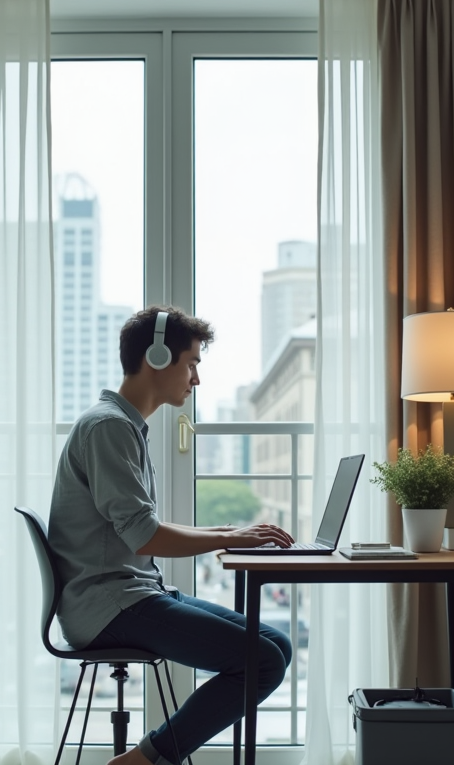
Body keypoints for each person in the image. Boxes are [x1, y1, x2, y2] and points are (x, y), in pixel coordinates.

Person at [48, 305, 294, 765]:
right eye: (192, 363)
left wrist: (229, 532)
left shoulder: (122, 426)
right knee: (262, 661)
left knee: (277, 646)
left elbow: (142, 527)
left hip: (131, 592)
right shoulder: (109, 428)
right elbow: (145, 536)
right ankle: (147, 759)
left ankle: (150, 756)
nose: (196, 378)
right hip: (108, 605)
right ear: (157, 358)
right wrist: (230, 539)